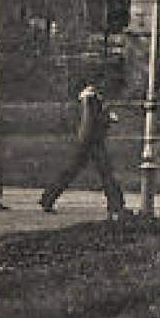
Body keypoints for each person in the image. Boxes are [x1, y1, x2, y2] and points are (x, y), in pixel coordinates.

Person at [40, 82, 125, 218]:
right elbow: (91, 121)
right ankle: (116, 206)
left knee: (72, 171)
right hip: (92, 141)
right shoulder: (91, 98)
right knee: (106, 173)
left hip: (87, 141)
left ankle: (47, 199)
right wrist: (108, 118)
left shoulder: (90, 97)